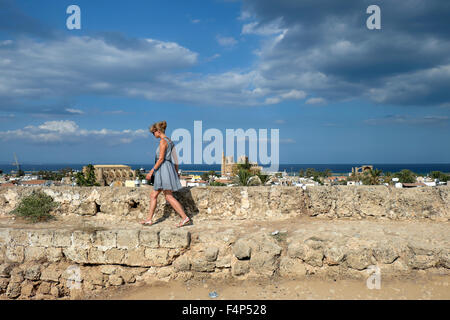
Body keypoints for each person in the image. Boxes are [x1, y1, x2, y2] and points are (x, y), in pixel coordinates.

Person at [140, 120, 190, 228]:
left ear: (158, 131)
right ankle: (149, 219)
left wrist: (151, 171)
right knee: (155, 195)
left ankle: (184, 217)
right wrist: (175, 172)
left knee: (168, 196)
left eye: (153, 132)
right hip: (168, 169)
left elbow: (161, 158)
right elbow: (175, 159)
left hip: (163, 169)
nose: (153, 135)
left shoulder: (163, 141)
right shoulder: (170, 141)